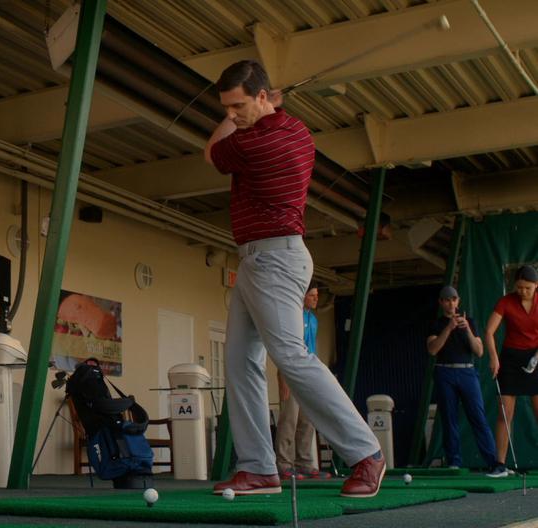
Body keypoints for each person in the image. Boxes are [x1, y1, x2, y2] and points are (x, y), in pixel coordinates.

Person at [204, 60, 383, 498]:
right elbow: (245, 126)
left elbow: (212, 152)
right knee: (240, 362)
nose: (232, 115)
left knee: (290, 356)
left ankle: (366, 453)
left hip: (273, 258)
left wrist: (231, 123)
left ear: (264, 97)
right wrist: (261, 109)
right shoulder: (297, 130)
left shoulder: (255, 144)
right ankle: (260, 468)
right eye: (226, 107)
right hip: (259, 259)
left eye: (238, 105)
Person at [427, 286, 506, 477]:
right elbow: (432, 349)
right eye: (446, 300)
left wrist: (467, 330)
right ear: (441, 302)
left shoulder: (469, 321)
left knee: (478, 417)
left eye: (453, 299)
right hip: (445, 372)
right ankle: (454, 462)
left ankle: (493, 463)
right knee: (449, 418)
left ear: (458, 300)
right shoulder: (437, 324)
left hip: (467, 372)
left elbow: (479, 351)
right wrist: (449, 328)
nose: (451, 303)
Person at [485, 265, 538, 471]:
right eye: (519, 287)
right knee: (504, 413)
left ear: (536, 285)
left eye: (527, 288)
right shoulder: (506, 302)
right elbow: (489, 331)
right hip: (510, 359)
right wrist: (494, 357)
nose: (523, 291)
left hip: (534, 357)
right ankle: (500, 464)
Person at [275, 284, 330, 480]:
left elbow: (311, 349)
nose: (316, 299)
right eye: (312, 295)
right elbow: (284, 347)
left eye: (317, 295)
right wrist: (283, 377)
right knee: (289, 419)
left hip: (308, 373)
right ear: (303, 296)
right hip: (290, 371)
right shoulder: (292, 316)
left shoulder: (313, 319)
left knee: (307, 420)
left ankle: (305, 463)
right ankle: (283, 464)